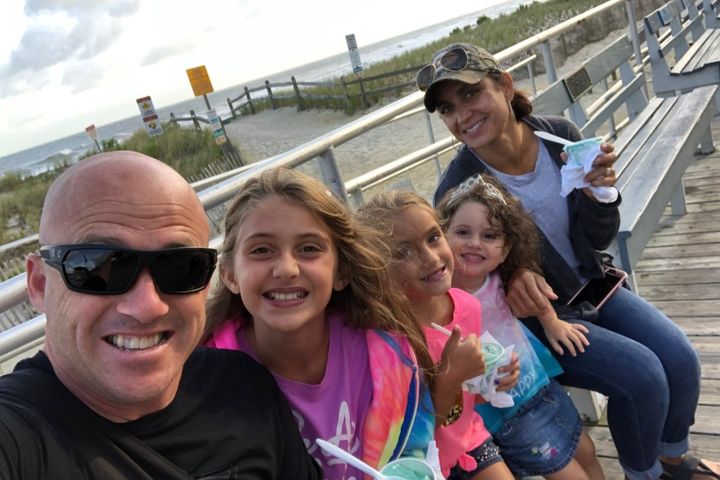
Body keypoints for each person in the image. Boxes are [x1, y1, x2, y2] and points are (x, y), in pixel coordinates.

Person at [418, 42, 720, 480]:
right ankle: (644, 474)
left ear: (505, 86)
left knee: (680, 358)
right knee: (642, 376)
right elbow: (458, 281)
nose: (461, 115)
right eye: (447, 108)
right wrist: (511, 271)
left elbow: (596, 236)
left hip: (592, 285)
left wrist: (601, 192)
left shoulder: (557, 136)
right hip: (536, 322)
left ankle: (673, 460)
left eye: (470, 94)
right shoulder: (458, 187)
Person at [0, 151, 321, 479]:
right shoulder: (18, 434)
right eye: (98, 268)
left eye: (181, 267)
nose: (147, 306)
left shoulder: (245, 386)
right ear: (39, 285)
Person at [202, 167, 437, 480]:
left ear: (341, 272)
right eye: (261, 250)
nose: (286, 269)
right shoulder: (202, 387)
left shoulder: (389, 352)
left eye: (309, 249)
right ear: (230, 274)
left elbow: (413, 448)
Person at [437, 173, 604, 479]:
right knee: (567, 474)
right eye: (463, 232)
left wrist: (552, 322)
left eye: (489, 236)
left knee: (587, 451)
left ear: (505, 249)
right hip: (505, 410)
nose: (475, 243)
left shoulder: (501, 278)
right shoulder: (440, 297)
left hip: (539, 385)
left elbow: (534, 293)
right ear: (443, 235)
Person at [357, 190, 521, 480]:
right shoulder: (386, 343)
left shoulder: (467, 306)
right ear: (378, 268)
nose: (431, 258)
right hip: (420, 465)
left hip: (468, 442)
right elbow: (411, 436)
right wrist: (450, 376)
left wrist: (491, 382)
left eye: (433, 238)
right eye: (403, 252)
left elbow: (466, 402)